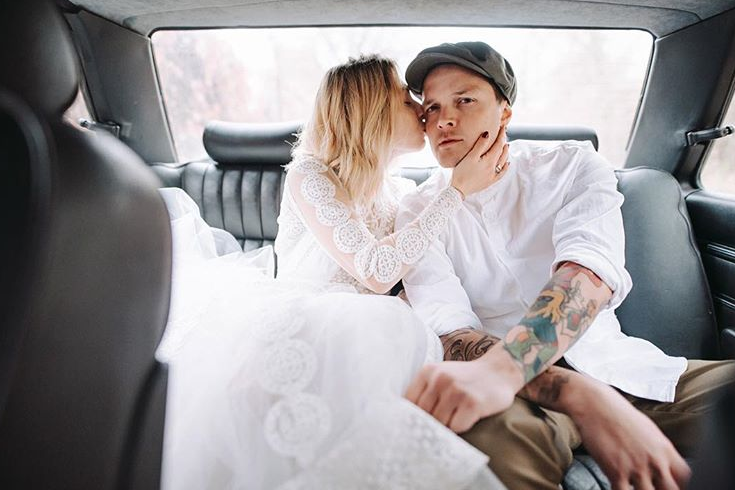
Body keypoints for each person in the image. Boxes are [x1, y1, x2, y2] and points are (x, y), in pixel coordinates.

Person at [156, 54, 509, 490]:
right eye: (406, 100)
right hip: (306, 322)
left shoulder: (402, 192)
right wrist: (456, 192)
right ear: (373, 112)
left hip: (371, 331)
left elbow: (409, 272)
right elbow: (376, 271)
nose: (422, 110)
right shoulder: (311, 175)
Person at [398, 42, 735, 490]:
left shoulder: (572, 165)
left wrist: (558, 378)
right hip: (513, 397)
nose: (444, 120)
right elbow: (449, 331)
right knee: (484, 442)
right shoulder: (416, 212)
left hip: (622, 368)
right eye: (432, 108)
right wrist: (567, 389)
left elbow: (587, 273)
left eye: (464, 101)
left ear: (504, 112)